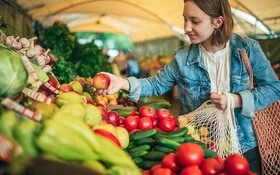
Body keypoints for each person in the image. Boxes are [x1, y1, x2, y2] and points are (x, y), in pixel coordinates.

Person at [97, 0, 280, 174]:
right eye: (185, 19)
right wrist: (123, 83)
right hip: (199, 147)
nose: (186, 28)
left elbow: (273, 88)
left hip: (246, 147)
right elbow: (156, 84)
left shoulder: (246, 49)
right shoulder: (183, 58)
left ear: (217, 22)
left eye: (195, 21)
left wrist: (236, 99)